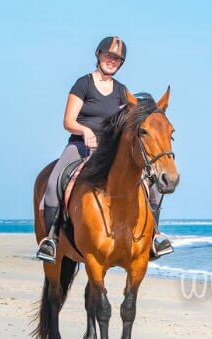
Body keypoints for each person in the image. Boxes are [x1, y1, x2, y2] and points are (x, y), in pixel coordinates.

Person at [35, 36, 172, 263]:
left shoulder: (121, 91)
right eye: (109, 56)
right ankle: (50, 240)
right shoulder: (83, 84)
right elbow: (68, 120)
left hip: (109, 149)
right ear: (98, 55)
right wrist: (84, 131)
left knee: (153, 185)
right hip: (81, 144)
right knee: (53, 182)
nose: (112, 61)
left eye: (117, 59)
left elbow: (128, 123)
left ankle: (154, 236)